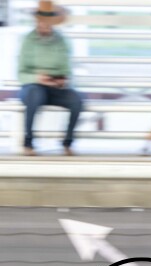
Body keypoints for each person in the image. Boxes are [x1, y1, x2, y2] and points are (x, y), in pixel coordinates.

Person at [17, 1, 82, 156]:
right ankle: (28, 142)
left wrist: (63, 81)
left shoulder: (61, 41)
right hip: (33, 86)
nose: (44, 26)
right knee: (34, 94)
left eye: (47, 24)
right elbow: (21, 73)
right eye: (42, 23)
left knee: (76, 100)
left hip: (55, 88)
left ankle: (67, 142)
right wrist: (38, 78)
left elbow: (67, 70)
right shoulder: (28, 40)